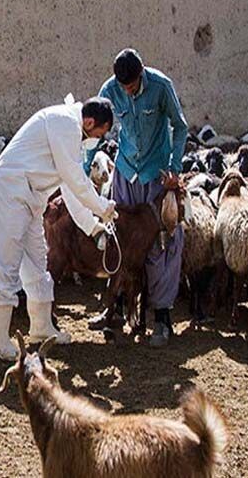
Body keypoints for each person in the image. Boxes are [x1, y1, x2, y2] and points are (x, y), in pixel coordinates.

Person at [0, 97, 117, 361]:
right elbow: (76, 179)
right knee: (6, 261)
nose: (98, 140)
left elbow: (71, 190)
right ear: (89, 122)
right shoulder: (64, 124)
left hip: (31, 198)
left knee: (38, 260)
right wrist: (102, 206)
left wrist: (93, 227)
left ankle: (41, 327)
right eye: (99, 134)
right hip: (10, 191)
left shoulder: (71, 137)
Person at [89, 48, 188, 347]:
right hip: (125, 171)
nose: (128, 92)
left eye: (132, 86)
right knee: (116, 236)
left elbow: (180, 127)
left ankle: (161, 318)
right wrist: (81, 171)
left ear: (142, 73)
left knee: (161, 241)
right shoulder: (109, 90)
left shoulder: (161, 86)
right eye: (124, 88)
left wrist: (174, 168)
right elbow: (94, 132)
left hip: (156, 174)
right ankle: (115, 307)